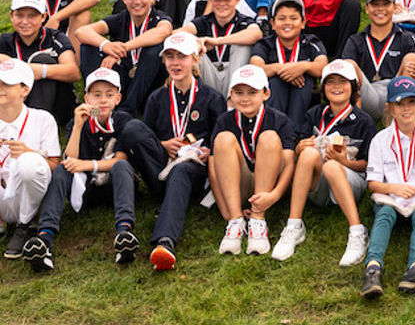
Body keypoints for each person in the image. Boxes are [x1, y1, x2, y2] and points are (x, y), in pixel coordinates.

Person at [115, 32, 227, 271]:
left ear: (195, 59)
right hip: (160, 169)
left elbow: (222, 137)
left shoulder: (212, 98)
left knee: (182, 171)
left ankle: (164, 242)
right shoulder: (156, 98)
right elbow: (147, 138)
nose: (175, 63)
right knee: (133, 127)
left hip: (193, 171)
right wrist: (163, 144)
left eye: (181, 57)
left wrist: (209, 151)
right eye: (170, 57)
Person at [21, 67, 137, 273]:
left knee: (122, 166)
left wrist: (88, 164)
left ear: (118, 99)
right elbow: (70, 159)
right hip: (86, 188)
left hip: (115, 185)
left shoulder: (122, 120)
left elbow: (121, 159)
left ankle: (124, 233)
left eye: (109, 95)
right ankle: (44, 238)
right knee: (62, 170)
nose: (103, 101)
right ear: (87, 99)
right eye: (97, 95)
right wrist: (77, 126)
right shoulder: (79, 122)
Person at [271, 59, 374, 266]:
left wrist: (344, 161)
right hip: (318, 185)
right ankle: (294, 225)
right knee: (309, 153)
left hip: (350, 183)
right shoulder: (314, 114)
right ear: (323, 87)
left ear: (353, 87)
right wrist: (300, 147)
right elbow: (298, 145)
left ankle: (357, 231)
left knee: (333, 166)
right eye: (330, 82)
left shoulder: (365, 121)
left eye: (342, 81)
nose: (336, 87)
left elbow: (369, 165)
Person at [361, 76, 415, 298]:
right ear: (390, 108)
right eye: (399, 104)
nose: (406, 109)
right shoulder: (380, 139)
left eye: (411, 102)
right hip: (389, 196)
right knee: (385, 215)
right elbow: (373, 185)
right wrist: (395, 189)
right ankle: (373, 269)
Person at [208, 65, 295, 256]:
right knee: (223, 139)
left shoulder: (280, 120)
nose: (245, 98)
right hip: (238, 183)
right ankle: (235, 221)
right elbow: (213, 168)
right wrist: (226, 211)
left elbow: (289, 164)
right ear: (231, 94)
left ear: (266, 94)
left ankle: (258, 221)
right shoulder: (224, 120)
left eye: (252, 92)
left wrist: (275, 195)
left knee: (269, 137)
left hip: (270, 186)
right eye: (239, 92)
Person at [71, 0, 174, 116]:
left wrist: (123, 49)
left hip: (151, 84)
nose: (137, 1)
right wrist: (106, 45)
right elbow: (82, 32)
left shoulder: (159, 18)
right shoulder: (121, 18)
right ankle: (94, 105)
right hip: (126, 81)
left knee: (154, 48)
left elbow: (164, 31)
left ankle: (127, 111)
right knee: (88, 46)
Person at [341, 0, 415, 121]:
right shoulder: (355, 40)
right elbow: (344, 76)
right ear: (367, 8)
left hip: (397, 95)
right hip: (368, 95)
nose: (380, 9)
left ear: (394, 8)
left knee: (412, 58)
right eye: (375, 4)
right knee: (348, 65)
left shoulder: (407, 38)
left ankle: (410, 121)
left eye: (386, 4)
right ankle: (354, 123)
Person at [0, 59, 60, 260]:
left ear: (25, 90)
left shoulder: (43, 119)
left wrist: (30, 153)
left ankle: (25, 225)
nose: (0, 88)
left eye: (7, 84)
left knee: (29, 163)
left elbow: (55, 166)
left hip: (29, 197)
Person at [250, 0, 328, 130]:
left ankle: (295, 132)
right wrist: (281, 69)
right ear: (273, 24)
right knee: (275, 81)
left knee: (305, 80)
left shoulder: (311, 42)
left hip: (305, 100)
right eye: (281, 18)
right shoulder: (265, 44)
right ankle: (273, 129)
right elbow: (255, 69)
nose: (287, 23)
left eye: (293, 18)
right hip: (274, 96)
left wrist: (302, 66)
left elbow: (323, 67)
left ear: (303, 23)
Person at [180, 0, 263, 98]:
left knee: (242, 47)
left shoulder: (244, 21)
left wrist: (218, 41)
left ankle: (232, 100)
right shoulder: (204, 21)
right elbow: (178, 34)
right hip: (209, 75)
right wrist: (197, 42)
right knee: (191, 45)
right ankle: (202, 100)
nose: (222, 3)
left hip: (234, 74)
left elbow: (256, 34)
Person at [3, 0, 80, 123]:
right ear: (11, 16)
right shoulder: (5, 41)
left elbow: (74, 72)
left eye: (32, 16)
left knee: (43, 59)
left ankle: (34, 125)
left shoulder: (56, 37)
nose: (25, 21)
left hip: (59, 105)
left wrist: (42, 71)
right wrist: (19, 66)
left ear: (44, 17)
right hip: (20, 101)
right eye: (19, 15)